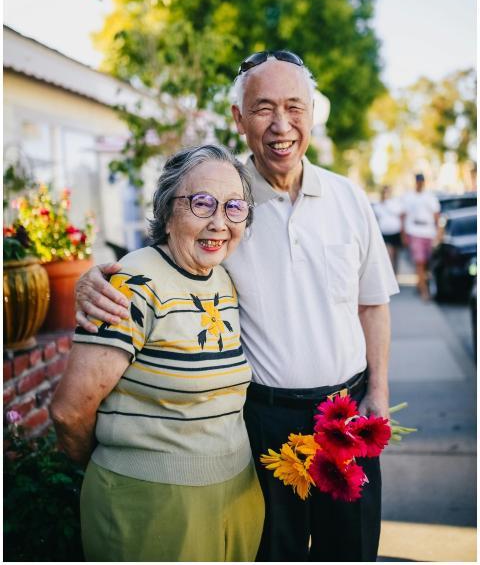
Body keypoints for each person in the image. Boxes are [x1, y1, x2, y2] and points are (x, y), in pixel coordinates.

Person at [75, 50, 399, 562]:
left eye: (295, 107)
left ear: (313, 113)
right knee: (274, 552)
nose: (281, 125)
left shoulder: (349, 198)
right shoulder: (226, 203)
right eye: (263, 107)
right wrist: (91, 278)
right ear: (238, 118)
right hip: (263, 421)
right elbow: (164, 254)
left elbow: (373, 302)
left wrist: (378, 391)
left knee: (353, 549)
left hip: (347, 413)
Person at [50, 144, 264, 562]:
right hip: (149, 507)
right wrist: (119, 465)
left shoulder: (223, 278)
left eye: (234, 207)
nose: (219, 222)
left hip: (237, 496)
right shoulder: (133, 282)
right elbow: (68, 412)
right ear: (167, 211)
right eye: (201, 203)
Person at [401, 172, 440, 300]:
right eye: (418, 181)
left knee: (428, 263)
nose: (420, 183)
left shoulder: (430, 197)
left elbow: (437, 217)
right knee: (420, 262)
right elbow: (404, 216)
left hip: (428, 232)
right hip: (415, 231)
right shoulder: (409, 197)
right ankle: (424, 292)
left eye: (421, 181)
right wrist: (404, 235)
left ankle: (421, 284)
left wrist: (438, 234)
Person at [373, 185, 403, 274]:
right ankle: (390, 274)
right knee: (389, 254)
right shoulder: (378, 205)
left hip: (396, 232)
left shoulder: (395, 203)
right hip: (385, 233)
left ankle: (395, 274)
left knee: (396, 255)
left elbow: (401, 216)